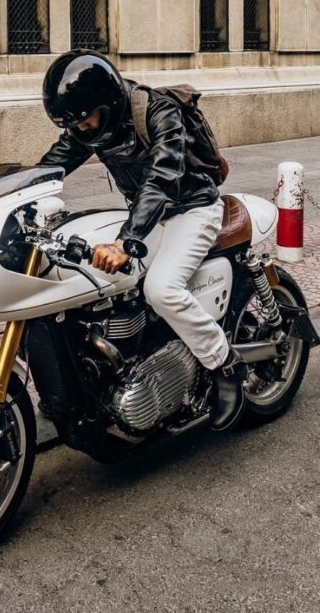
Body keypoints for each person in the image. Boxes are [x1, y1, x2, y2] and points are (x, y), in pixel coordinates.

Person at [38, 50, 246, 431]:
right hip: (146, 213)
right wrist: (11, 195)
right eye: (75, 125)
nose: (82, 130)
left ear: (109, 102)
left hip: (191, 208)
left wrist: (125, 241)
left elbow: (161, 178)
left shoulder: (158, 112)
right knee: (96, 282)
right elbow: (51, 167)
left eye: (85, 121)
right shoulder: (92, 125)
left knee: (162, 289)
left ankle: (224, 363)